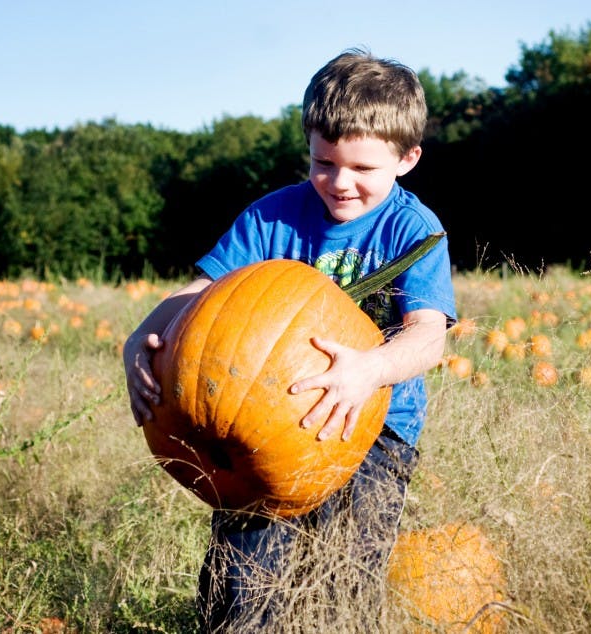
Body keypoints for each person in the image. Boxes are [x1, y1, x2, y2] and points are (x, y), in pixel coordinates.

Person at [123, 48, 456, 632]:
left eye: (363, 169)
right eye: (323, 163)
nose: (340, 183)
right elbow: (198, 293)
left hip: (372, 433)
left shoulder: (415, 230)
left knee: (346, 585)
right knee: (241, 583)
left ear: (408, 158)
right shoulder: (271, 218)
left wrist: (367, 370)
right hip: (248, 421)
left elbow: (428, 337)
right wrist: (140, 337)